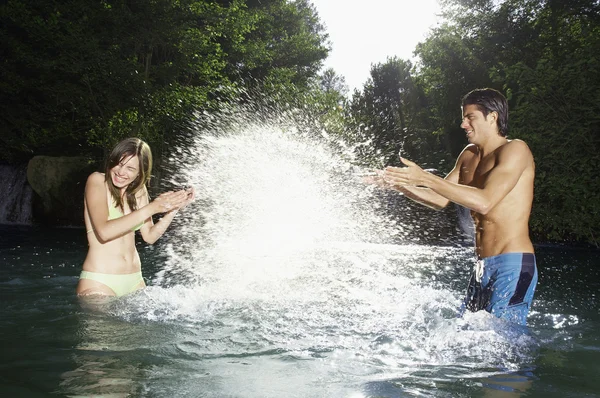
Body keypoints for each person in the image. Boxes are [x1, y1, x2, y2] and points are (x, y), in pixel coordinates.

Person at [368, 88, 538, 326]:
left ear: (492, 117)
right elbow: (440, 199)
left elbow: (485, 201)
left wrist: (425, 177)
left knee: (502, 343)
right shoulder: (468, 155)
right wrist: (400, 185)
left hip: (512, 263)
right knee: (468, 333)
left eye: (470, 117)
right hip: (481, 267)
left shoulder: (515, 150)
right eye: (463, 117)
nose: (463, 124)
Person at [77, 137, 195, 297]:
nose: (120, 171)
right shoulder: (97, 181)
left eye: (130, 169)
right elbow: (104, 232)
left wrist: (173, 210)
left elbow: (150, 236)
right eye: (119, 163)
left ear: (141, 172)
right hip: (100, 281)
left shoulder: (139, 192)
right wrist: (153, 207)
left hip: (135, 281)